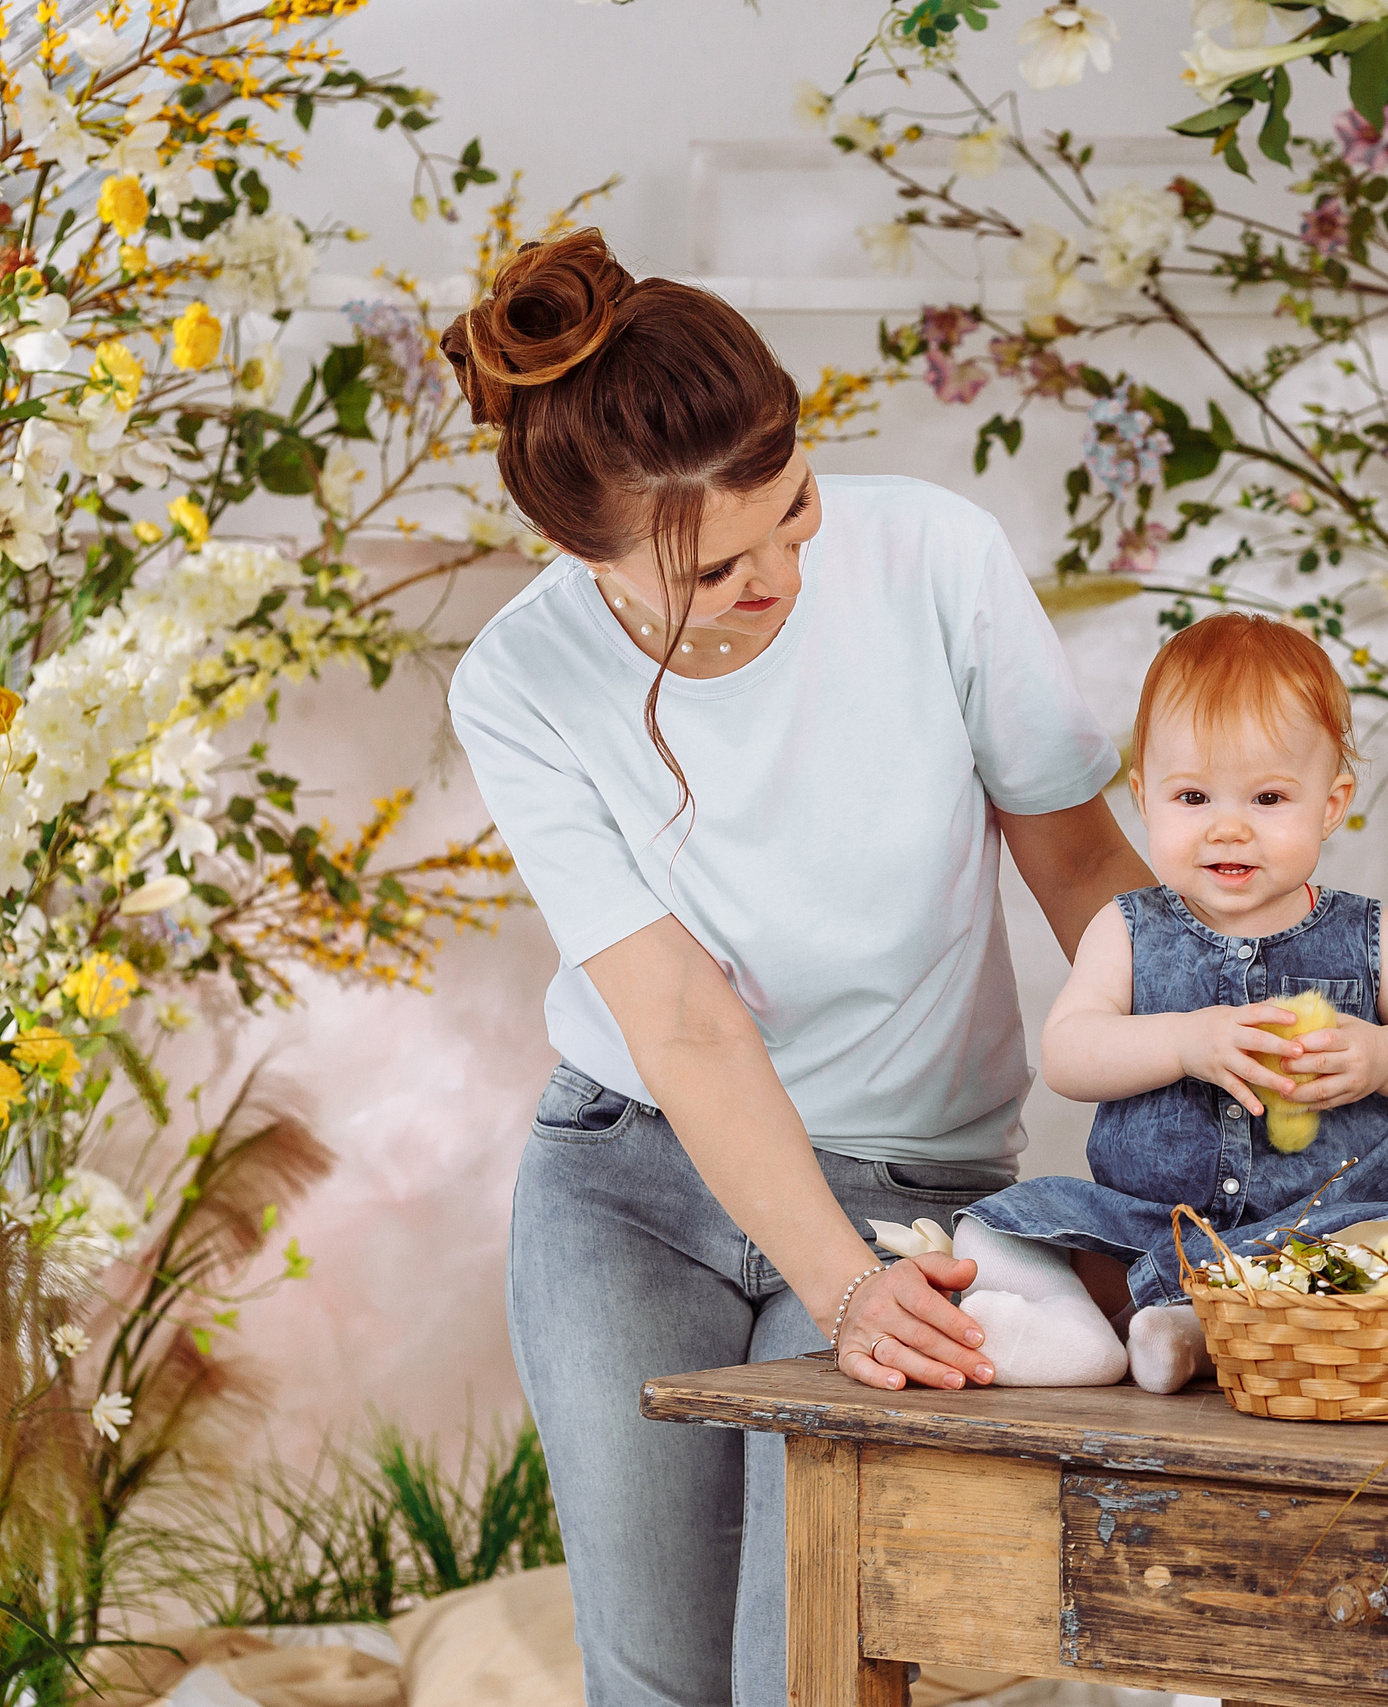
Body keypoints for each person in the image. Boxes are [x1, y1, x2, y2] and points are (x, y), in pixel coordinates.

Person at [443, 229, 1154, 1707]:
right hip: (627, 1186)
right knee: (654, 1678)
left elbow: (1078, 858)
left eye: (796, 510)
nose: (778, 574)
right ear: (592, 555)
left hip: (907, 1191)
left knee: (813, 1672)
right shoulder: (520, 678)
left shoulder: (934, 556)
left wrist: (1227, 1046)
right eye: (717, 565)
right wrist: (837, 1288)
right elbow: (682, 1017)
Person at [953, 613, 1388, 1390]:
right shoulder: (1128, 930)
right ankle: (1079, 1334)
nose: (1229, 827)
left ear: (1331, 803)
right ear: (1145, 798)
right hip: (1157, 1225)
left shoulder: (1372, 937)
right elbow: (1070, 1053)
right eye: (1194, 796)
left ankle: (1187, 1334)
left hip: (1324, 1233)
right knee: (1006, 1221)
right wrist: (1183, 1041)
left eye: (1270, 797)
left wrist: (1385, 1055)